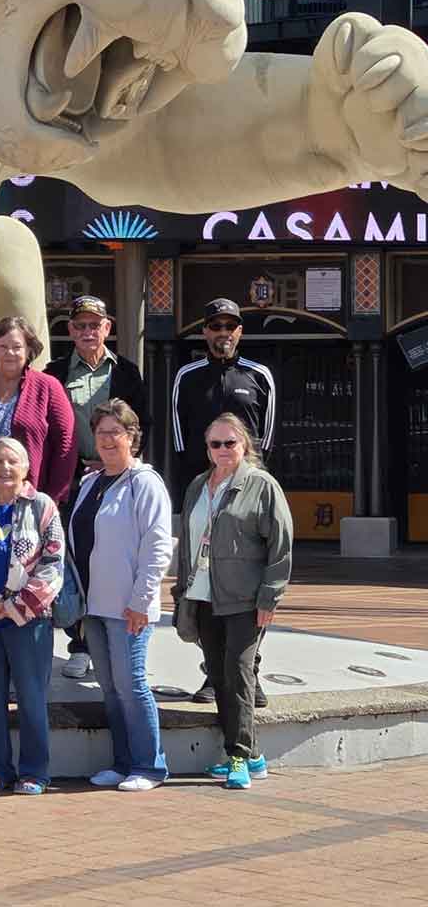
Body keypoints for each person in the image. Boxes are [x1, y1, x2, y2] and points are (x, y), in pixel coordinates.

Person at [173, 413, 293, 791]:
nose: (223, 451)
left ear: (245, 446)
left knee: (239, 675)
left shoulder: (262, 486)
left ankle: (239, 754)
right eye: (215, 444)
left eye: (230, 443)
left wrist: (270, 596)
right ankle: (252, 755)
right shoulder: (197, 486)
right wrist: (181, 593)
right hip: (205, 595)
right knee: (219, 675)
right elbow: (189, 545)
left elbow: (281, 546)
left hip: (245, 598)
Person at [171, 298, 276, 705]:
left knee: (249, 586)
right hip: (205, 494)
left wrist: (258, 488)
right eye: (215, 326)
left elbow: (268, 440)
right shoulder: (187, 375)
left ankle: (251, 670)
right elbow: (180, 441)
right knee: (204, 586)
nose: (223, 333)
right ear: (205, 332)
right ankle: (213, 673)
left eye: (230, 326)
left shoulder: (260, 375)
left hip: (250, 498)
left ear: (240, 332)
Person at [70, 400, 171, 791]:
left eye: (117, 432)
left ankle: (149, 766)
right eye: (101, 433)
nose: (108, 440)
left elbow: (157, 547)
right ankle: (123, 761)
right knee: (110, 690)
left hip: (129, 607)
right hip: (93, 606)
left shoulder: (145, 483)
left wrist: (142, 599)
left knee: (133, 686)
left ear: (132, 437)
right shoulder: (90, 483)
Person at [45, 295, 148, 679]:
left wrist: (114, 462)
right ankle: (79, 642)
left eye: (95, 325)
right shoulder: (54, 372)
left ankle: (109, 632)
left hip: (115, 478)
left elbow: (142, 425)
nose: (88, 332)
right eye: (81, 326)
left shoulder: (128, 372)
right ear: (70, 330)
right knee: (73, 559)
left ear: (108, 328)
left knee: (110, 557)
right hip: (72, 482)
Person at [0, 436, 63, 794]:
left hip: (29, 622)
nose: (5, 468)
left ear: (26, 467)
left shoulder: (43, 507)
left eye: (12, 462)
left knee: (32, 699)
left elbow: (53, 564)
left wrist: (16, 606)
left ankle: (34, 772)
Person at [0, 316, 76, 507]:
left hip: (29, 494)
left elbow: (66, 442)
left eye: (17, 347)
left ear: (29, 350)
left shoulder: (48, 387)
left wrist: (53, 497)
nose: (10, 353)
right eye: (3, 347)